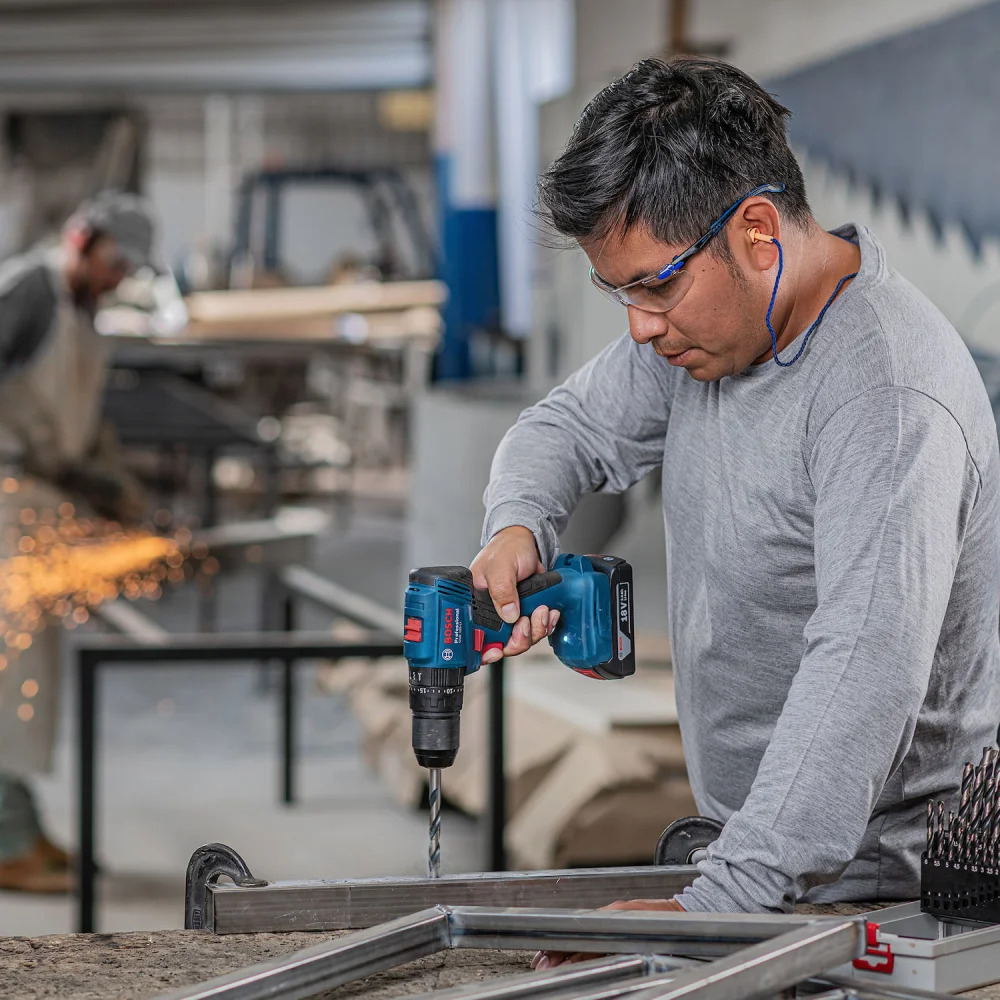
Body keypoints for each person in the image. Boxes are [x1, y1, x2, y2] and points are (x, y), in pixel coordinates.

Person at [471, 56, 1000, 945]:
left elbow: (864, 673)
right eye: (621, 291)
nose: (639, 324)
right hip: (756, 854)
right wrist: (518, 520)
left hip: (877, 889)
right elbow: (562, 427)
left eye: (656, 284)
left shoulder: (887, 396)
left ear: (758, 230)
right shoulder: (706, 333)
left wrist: (719, 907)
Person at [0, 191, 158, 892]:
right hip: (5, 498)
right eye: (115, 263)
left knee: (29, 673)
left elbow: (79, 423)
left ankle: (20, 824)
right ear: (82, 239)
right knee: (11, 674)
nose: (118, 279)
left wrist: (119, 490)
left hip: (35, 506)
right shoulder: (24, 294)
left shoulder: (80, 313)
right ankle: (8, 841)